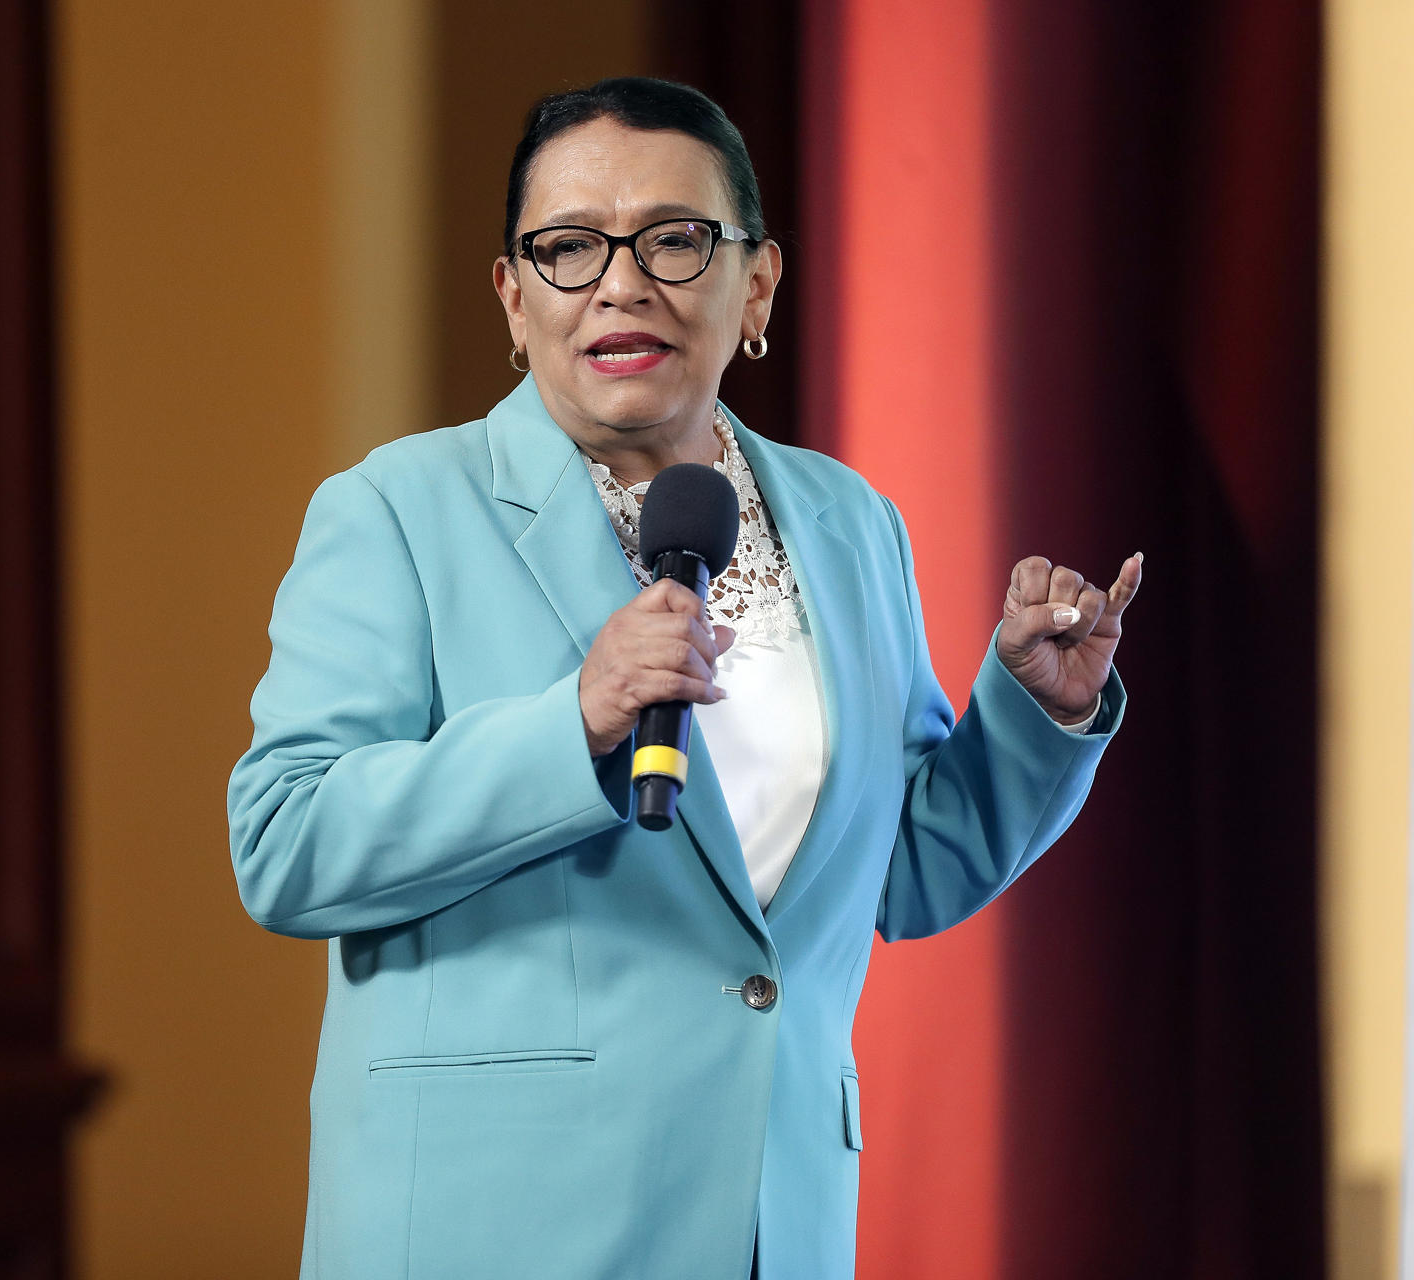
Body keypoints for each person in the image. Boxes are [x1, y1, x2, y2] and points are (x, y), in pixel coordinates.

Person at [227, 76, 1138, 1280]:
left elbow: (901, 870)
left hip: (772, 1216)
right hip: (494, 1220)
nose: (620, 281)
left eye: (674, 239)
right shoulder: (397, 509)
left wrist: (1036, 710)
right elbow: (287, 840)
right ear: (512, 296)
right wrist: (576, 724)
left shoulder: (848, 521)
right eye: (566, 246)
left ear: (756, 284)